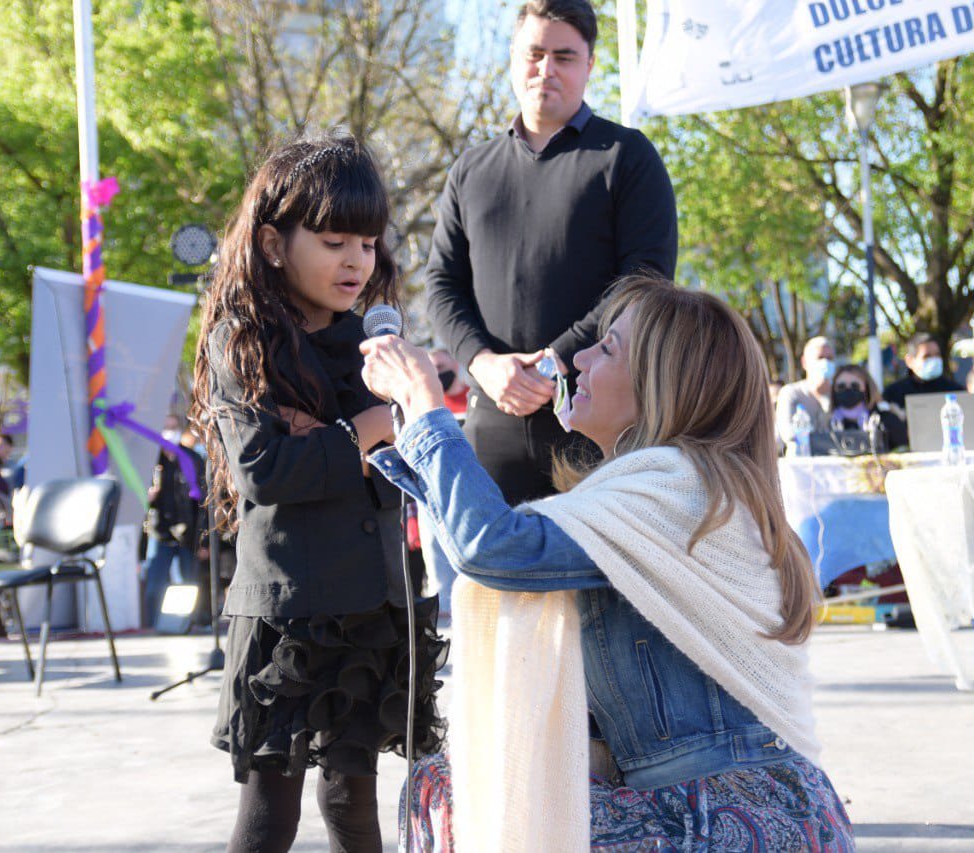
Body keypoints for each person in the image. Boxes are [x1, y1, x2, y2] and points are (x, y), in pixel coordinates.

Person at [362, 277, 853, 850]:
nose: (579, 357)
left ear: (663, 385)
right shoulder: (662, 488)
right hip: (714, 808)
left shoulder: (680, 486)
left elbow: (493, 547)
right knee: (453, 789)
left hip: (726, 819)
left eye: (607, 348)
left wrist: (424, 404)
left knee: (459, 802)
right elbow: (487, 552)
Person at [189, 132, 446, 853]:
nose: (356, 261)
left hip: (370, 604)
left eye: (366, 243)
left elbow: (402, 464)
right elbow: (266, 469)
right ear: (274, 244)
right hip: (289, 611)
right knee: (270, 812)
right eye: (334, 240)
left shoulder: (370, 339)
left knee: (354, 801)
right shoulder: (246, 339)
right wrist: (361, 432)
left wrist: (352, 432)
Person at [425, 0, 678, 506]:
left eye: (564, 56)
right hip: (492, 424)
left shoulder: (626, 157)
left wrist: (555, 361)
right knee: (492, 584)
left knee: (593, 585)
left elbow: (644, 280)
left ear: (590, 65)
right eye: (534, 53)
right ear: (513, 59)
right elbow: (441, 285)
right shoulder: (471, 171)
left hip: (598, 422)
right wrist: (483, 363)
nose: (546, 69)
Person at [139, 415, 203, 628]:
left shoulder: (191, 458)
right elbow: (137, 496)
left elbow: (201, 500)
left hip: (187, 530)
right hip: (160, 531)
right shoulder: (152, 461)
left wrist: (203, 540)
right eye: (165, 428)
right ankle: (154, 624)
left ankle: (185, 623)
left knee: (188, 582)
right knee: (155, 584)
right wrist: (148, 497)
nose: (169, 432)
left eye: (173, 428)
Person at [828, 363, 909, 451]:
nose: (848, 390)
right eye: (841, 387)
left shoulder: (885, 420)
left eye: (855, 386)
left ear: (867, 388)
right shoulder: (826, 424)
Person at [774, 336, 836, 445]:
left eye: (829, 358)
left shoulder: (838, 393)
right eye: (820, 358)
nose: (825, 363)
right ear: (804, 363)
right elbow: (788, 434)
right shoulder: (791, 393)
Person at [882, 332, 964, 408]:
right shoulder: (893, 394)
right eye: (927, 356)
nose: (934, 360)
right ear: (909, 361)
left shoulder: (955, 391)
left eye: (937, 355)